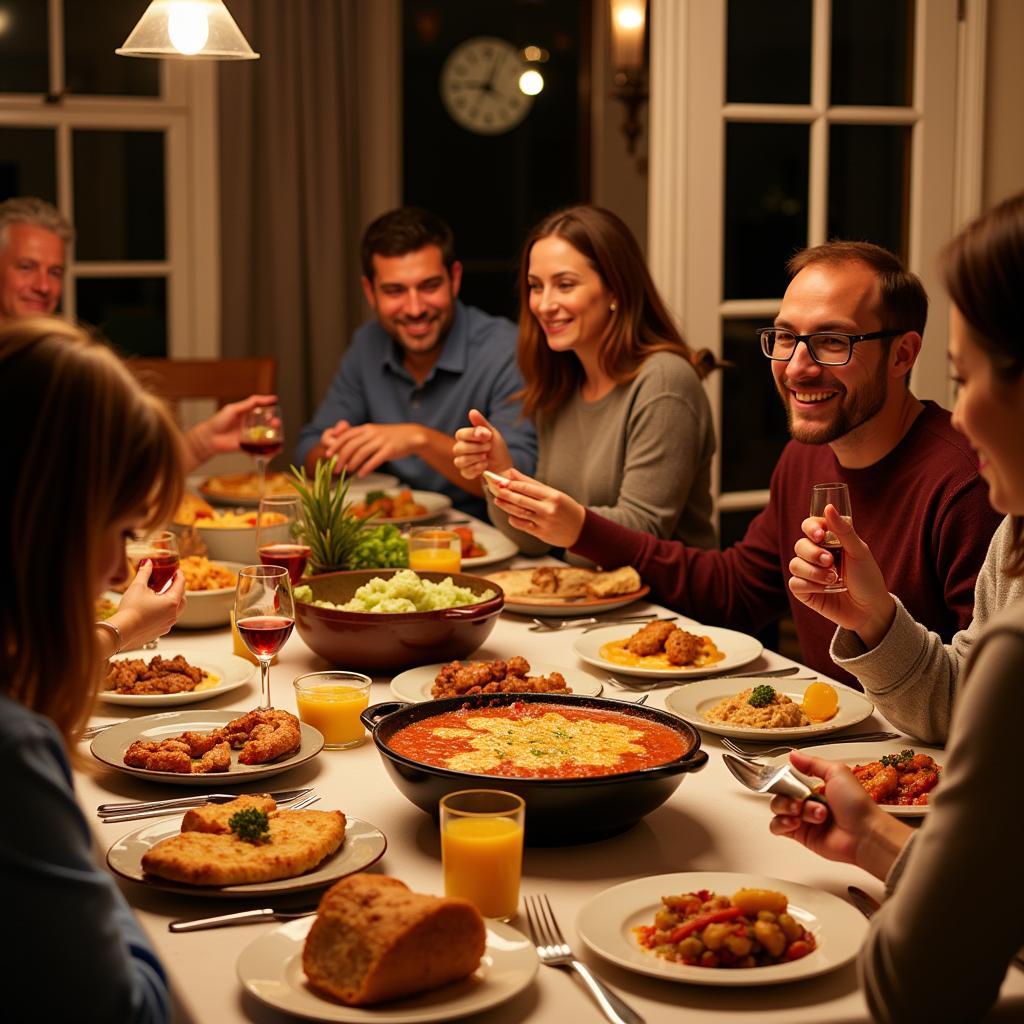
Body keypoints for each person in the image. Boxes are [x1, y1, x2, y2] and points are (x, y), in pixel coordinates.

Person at [480, 241, 1002, 684]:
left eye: (831, 342)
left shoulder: (969, 482)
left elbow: (980, 699)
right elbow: (735, 591)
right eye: (784, 337)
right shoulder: (804, 456)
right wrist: (583, 529)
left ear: (903, 356)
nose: (797, 367)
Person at [768, 192, 1024, 1024]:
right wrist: (876, 837)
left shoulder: (966, 493)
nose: (963, 415)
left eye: (970, 377)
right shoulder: (1014, 543)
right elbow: (957, 709)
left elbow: (921, 982)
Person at [1, 316, 188, 1020]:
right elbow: (129, 1008)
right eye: (116, 530)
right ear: (47, 524)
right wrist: (95, 865)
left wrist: (122, 627)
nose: (118, 566)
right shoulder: (13, 751)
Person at [452, 204, 718, 553]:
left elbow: (644, 534)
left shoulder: (664, 382)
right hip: (587, 599)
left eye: (564, 285)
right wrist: (499, 473)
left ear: (615, 291)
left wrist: (563, 519)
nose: (544, 304)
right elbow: (535, 544)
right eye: (536, 286)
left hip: (669, 605)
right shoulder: (561, 384)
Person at [0, 195, 278, 474]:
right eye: (26, 267)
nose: (43, 286)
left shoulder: (64, 366)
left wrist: (199, 445)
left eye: (55, 272)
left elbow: (119, 479)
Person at [295, 207, 536, 518]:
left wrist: (418, 439)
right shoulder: (367, 344)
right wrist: (334, 452)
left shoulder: (507, 350)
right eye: (395, 291)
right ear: (370, 292)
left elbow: (519, 478)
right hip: (386, 532)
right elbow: (307, 450)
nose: (414, 308)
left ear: (455, 279)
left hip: (483, 543)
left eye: (429, 286)